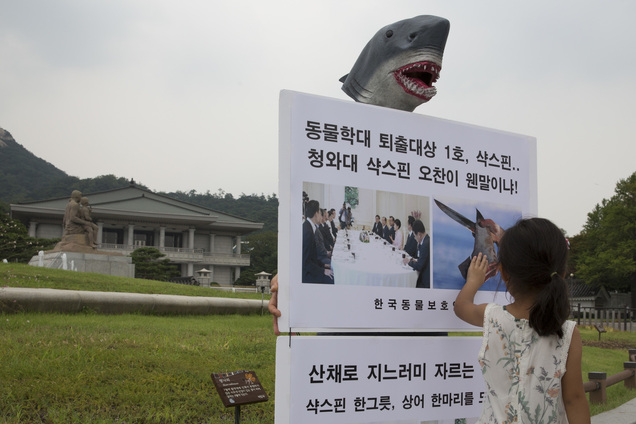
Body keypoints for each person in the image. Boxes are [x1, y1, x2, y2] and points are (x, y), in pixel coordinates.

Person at [454, 218, 590, 424]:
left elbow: (461, 307)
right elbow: (575, 399)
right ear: (561, 273)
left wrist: (473, 281)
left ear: (504, 274)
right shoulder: (568, 333)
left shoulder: (492, 317)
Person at [302, 200, 334, 284]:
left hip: (312, 268)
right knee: (333, 279)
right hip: (308, 275)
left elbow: (312, 258)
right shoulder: (307, 231)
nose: (321, 215)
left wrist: (323, 266)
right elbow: (306, 262)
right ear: (316, 213)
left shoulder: (308, 226)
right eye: (320, 213)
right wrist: (323, 271)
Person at [403, 219, 430, 288]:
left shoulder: (425, 244)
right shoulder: (426, 240)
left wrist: (409, 261)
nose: (415, 238)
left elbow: (419, 266)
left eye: (415, 236)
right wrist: (416, 260)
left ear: (419, 235)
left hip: (425, 281)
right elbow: (423, 260)